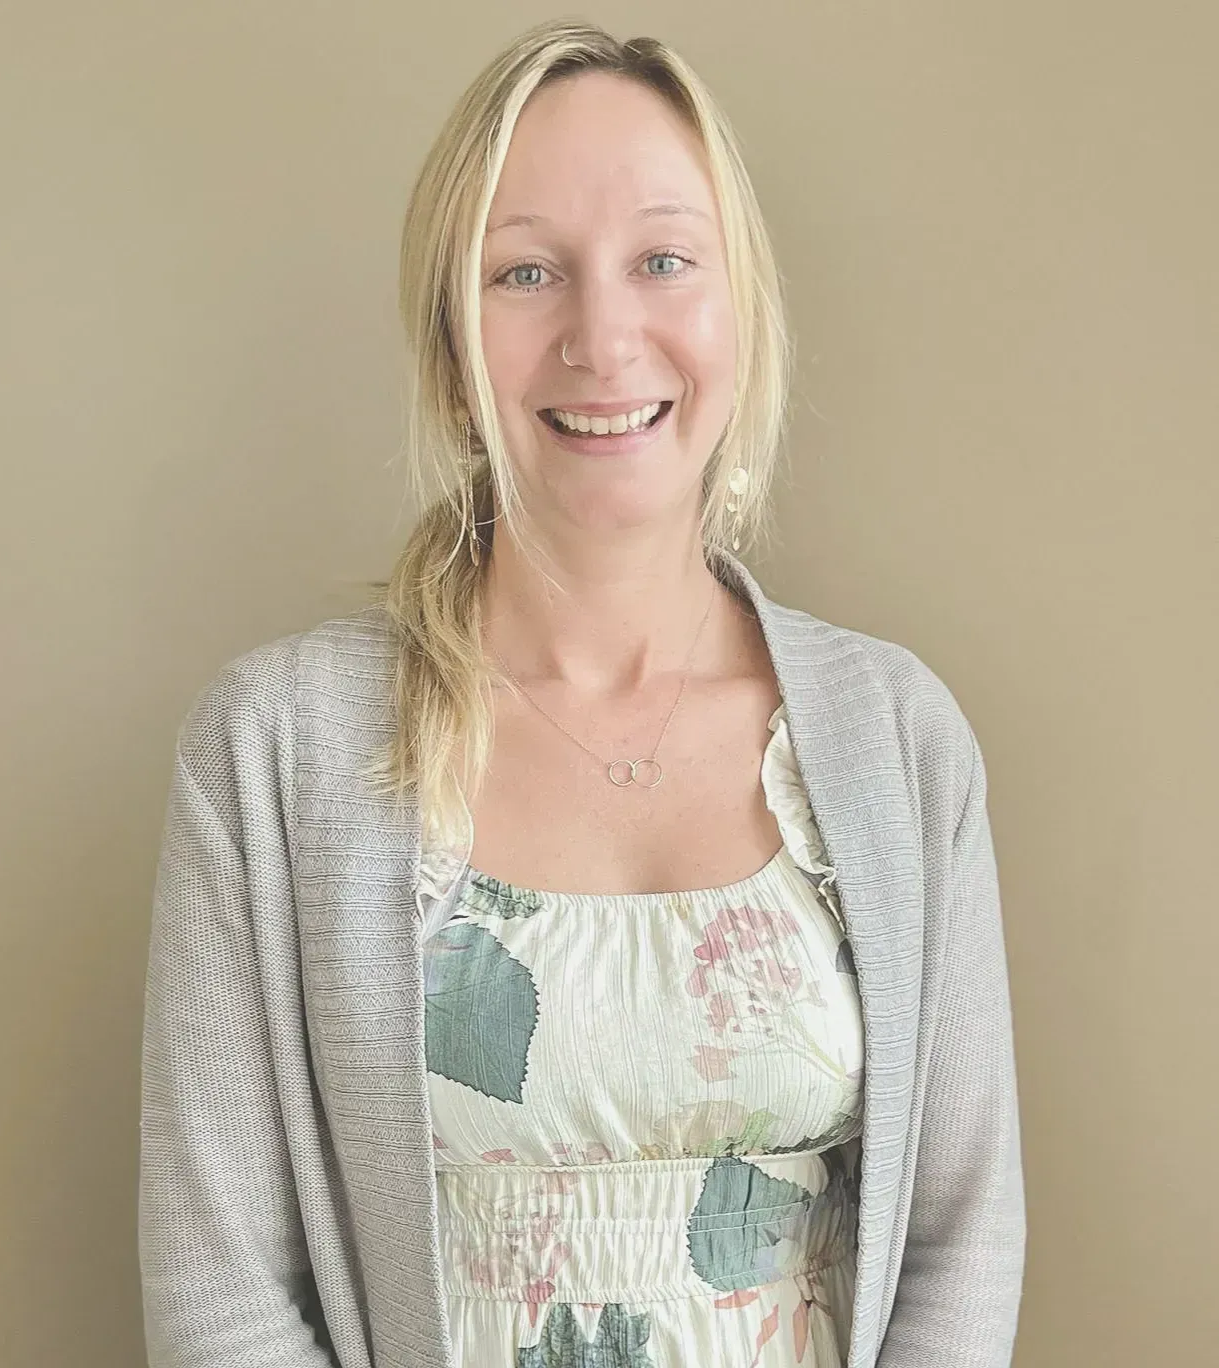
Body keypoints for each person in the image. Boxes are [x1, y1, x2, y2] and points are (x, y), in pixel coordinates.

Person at [138, 19, 1025, 1368]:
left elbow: (964, 1234)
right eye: (526, 273)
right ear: (449, 337)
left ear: (742, 311)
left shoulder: (902, 739)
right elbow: (222, 1292)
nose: (603, 339)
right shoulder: (273, 751)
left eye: (664, 260)